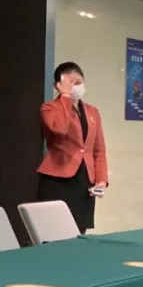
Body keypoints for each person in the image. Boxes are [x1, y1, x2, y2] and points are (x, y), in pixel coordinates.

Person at [37, 61, 108, 234]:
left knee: (79, 231)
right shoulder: (49, 108)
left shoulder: (92, 112)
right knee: (55, 231)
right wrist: (65, 98)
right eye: (69, 83)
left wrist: (101, 180)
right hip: (58, 179)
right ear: (58, 86)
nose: (75, 87)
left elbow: (98, 149)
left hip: (84, 180)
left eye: (78, 82)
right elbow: (60, 128)